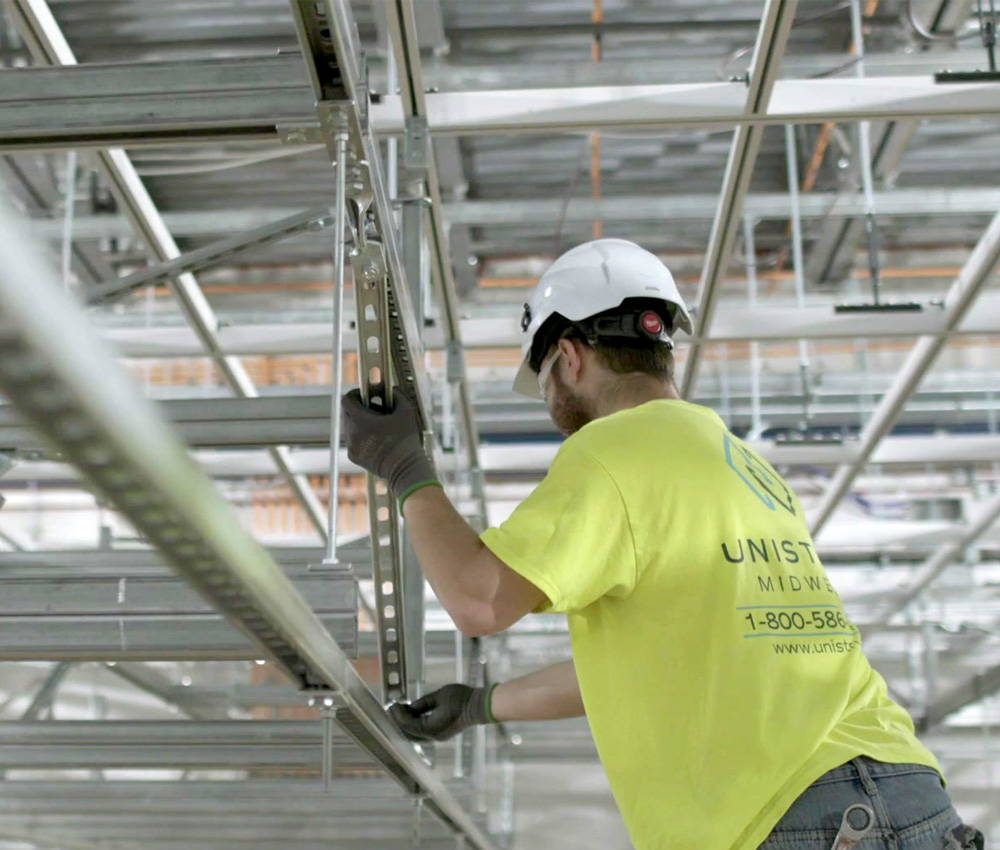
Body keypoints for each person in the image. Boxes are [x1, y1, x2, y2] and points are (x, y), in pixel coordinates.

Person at [341, 239, 983, 850]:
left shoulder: (617, 449)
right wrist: (482, 704)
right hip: (905, 789)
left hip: (792, 812)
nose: (548, 399)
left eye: (542, 379)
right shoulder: (743, 466)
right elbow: (657, 665)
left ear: (569, 355)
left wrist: (405, 470)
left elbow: (477, 600)